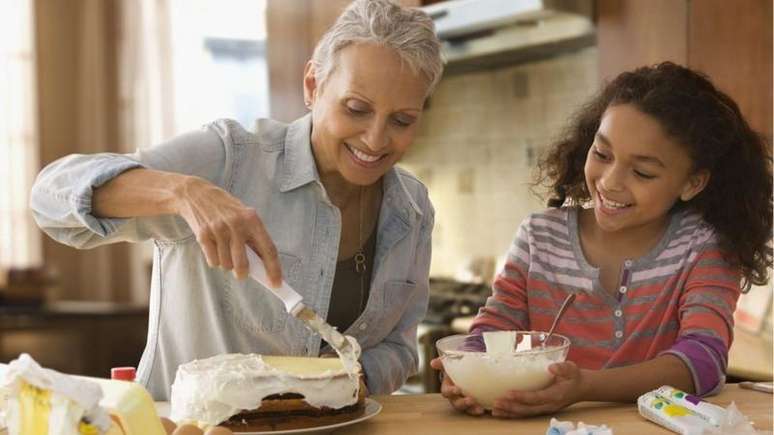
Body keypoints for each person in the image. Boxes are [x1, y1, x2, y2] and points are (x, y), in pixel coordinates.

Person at [30, 0, 443, 400]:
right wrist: (182, 192)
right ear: (313, 86)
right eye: (356, 109)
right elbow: (50, 197)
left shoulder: (413, 209)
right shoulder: (228, 160)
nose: (375, 139)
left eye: (402, 120)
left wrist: (349, 380)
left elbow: (400, 348)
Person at [431, 62, 772, 418]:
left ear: (692, 183)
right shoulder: (539, 237)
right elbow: (492, 332)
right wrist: (465, 370)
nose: (610, 182)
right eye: (602, 154)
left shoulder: (703, 246)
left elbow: (704, 362)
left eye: (642, 172)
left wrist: (585, 387)